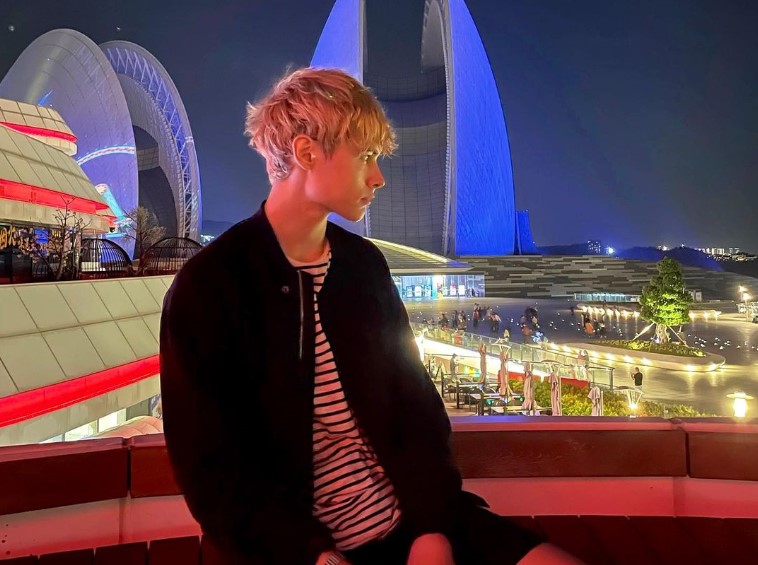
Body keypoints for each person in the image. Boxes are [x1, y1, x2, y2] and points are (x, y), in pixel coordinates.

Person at [160, 67, 582, 565]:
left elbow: (417, 410)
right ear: (307, 153)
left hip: (423, 521)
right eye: (365, 157)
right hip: (305, 552)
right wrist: (313, 555)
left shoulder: (363, 267)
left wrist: (431, 531)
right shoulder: (211, 287)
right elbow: (213, 471)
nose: (378, 177)